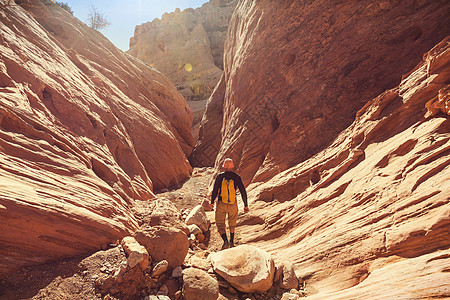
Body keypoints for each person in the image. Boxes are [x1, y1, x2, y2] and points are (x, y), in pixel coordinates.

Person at [210, 158, 249, 249]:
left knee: (220, 225)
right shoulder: (236, 177)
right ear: (232, 166)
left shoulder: (220, 177)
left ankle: (225, 241)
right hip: (233, 204)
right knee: (232, 223)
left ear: (224, 166)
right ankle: (231, 241)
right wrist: (245, 205)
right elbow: (243, 191)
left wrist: (212, 202)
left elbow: (215, 190)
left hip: (221, 204)